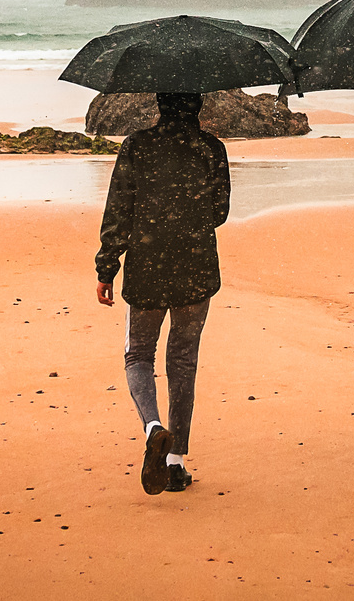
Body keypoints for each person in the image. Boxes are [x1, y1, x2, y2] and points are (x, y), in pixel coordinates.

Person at [94, 92, 230, 495]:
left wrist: (107, 266)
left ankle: (154, 427)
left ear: (159, 103)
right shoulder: (211, 149)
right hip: (196, 264)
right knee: (183, 361)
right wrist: (187, 218)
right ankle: (175, 462)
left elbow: (119, 208)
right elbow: (219, 211)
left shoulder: (137, 145)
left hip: (148, 263)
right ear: (198, 106)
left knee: (139, 353)